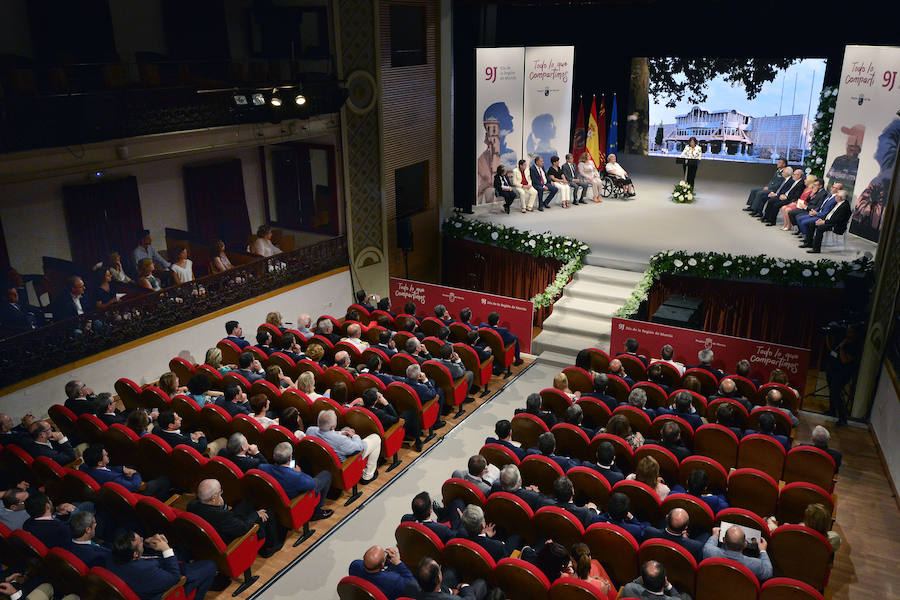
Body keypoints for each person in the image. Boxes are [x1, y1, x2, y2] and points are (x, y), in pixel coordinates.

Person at [109, 530, 217, 600]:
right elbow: (175, 578)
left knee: (183, 550)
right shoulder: (144, 571)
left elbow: (142, 557)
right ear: (135, 554)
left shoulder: (117, 555)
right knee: (210, 565)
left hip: (159, 572)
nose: (142, 538)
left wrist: (146, 542)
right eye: (140, 541)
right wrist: (166, 549)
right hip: (170, 588)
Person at [188, 478, 282, 557]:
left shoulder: (192, 505)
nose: (221, 494)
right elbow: (243, 528)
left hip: (223, 528)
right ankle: (271, 546)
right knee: (268, 514)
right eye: (220, 492)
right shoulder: (222, 516)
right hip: (233, 540)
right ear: (213, 498)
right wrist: (256, 514)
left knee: (245, 504)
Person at [259, 441, 333, 520]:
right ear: (290, 457)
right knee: (326, 475)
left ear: (274, 456)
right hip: (296, 501)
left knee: (304, 463)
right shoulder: (296, 476)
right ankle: (316, 511)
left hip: (277, 502)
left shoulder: (262, 468)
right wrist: (299, 472)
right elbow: (312, 484)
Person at [307, 410, 381, 484]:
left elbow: (325, 433)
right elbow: (359, 448)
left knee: (346, 428)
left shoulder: (310, 430)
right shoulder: (340, 441)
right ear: (332, 427)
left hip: (324, 465)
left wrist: (341, 433)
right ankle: (367, 476)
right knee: (376, 438)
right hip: (346, 464)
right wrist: (355, 436)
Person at [80, 445, 172, 500]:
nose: (107, 454)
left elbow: (107, 468)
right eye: (105, 455)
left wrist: (122, 469)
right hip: (135, 492)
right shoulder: (112, 478)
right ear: (100, 463)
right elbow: (134, 486)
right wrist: (135, 473)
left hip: (115, 483)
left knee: (131, 466)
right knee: (164, 480)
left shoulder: (84, 467)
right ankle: (160, 500)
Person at [703, 525, 773, 581]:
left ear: (724, 540)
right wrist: (763, 551)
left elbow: (710, 544)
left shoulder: (709, 552)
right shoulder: (756, 565)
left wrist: (715, 535)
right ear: (745, 544)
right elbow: (768, 572)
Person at [823, 323, 861, 426]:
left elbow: (845, 360)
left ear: (856, 334)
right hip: (834, 369)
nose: (848, 333)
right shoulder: (843, 339)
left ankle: (843, 418)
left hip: (843, 373)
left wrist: (842, 347)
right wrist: (827, 336)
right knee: (832, 391)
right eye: (848, 331)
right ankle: (832, 411)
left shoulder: (855, 345)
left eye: (850, 331)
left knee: (836, 393)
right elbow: (831, 351)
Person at [348, 545, 417, 600]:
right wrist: (398, 563)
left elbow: (371, 565)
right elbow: (414, 587)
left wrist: (388, 563)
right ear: (382, 565)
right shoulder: (394, 581)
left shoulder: (354, 565)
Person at [800, 189, 852, 253]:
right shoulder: (838, 203)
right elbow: (829, 214)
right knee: (812, 224)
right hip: (829, 220)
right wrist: (822, 219)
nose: (835, 197)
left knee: (820, 228)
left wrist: (824, 222)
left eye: (836, 196)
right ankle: (809, 243)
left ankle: (816, 249)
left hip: (836, 225)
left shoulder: (844, 206)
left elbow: (837, 220)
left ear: (840, 198)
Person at [414, 557, 487, 600]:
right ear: (439, 578)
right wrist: (464, 586)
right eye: (439, 569)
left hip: (442, 592)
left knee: (450, 572)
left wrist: (450, 591)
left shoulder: (413, 589)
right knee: (481, 583)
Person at [619, 560, 692, 599]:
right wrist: (669, 586)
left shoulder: (628, 589)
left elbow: (635, 582)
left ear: (642, 580)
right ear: (664, 580)